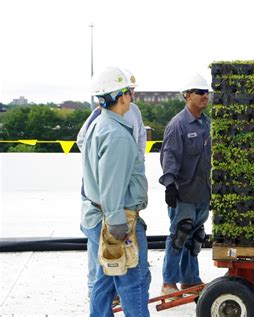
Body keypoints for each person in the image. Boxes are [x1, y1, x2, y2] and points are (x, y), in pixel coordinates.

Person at [80, 66, 150, 316]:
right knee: (134, 283)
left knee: (105, 279)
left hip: (98, 215)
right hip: (117, 219)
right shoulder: (117, 135)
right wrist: (117, 224)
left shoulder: (100, 124)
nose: (132, 97)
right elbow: (111, 185)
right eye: (129, 93)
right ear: (120, 97)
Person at [159, 73, 211, 296]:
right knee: (180, 236)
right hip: (184, 193)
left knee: (195, 237)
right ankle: (168, 282)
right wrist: (170, 185)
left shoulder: (206, 123)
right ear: (188, 95)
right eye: (200, 92)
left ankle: (190, 280)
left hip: (202, 193)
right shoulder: (178, 125)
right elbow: (169, 156)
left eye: (207, 92)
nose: (205, 96)